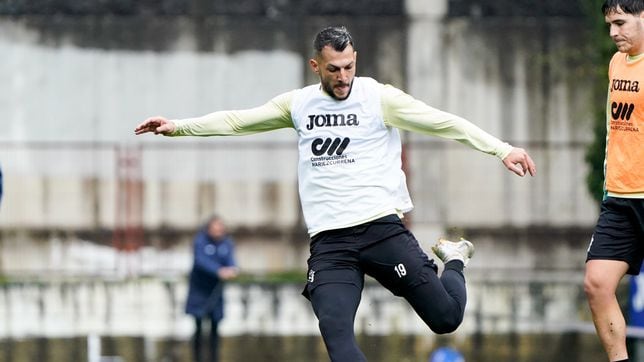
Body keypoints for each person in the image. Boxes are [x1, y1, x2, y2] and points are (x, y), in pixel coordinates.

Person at [136, 26, 536, 362]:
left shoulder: (378, 98)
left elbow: (444, 123)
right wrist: (177, 125)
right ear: (316, 66)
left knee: (446, 319)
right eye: (333, 69)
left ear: (356, 60)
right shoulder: (298, 104)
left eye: (349, 67)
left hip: (382, 231)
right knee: (339, 342)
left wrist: (502, 149)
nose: (343, 77)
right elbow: (238, 121)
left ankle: (454, 258)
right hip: (330, 244)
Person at [584, 2, 644, 362]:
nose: (613, 33)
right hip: (620, 198)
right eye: (609, 24)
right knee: (596, 283)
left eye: (620, 23)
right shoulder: (617, 63)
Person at [185, 215, 238, 362]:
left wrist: (233, 269)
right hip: (199, 290)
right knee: (199, 328)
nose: (218, 232)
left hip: (216, 291)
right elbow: (200, 261)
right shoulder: (200, 241)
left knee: (215, 328)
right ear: (209, 229)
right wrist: (218, 271)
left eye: (221, 229)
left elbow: (231, 260)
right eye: (215, 229)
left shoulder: (226, 242)